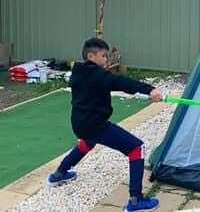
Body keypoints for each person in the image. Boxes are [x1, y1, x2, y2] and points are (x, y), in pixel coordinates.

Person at [47, 37, 163, 211]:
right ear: (91, 56)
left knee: (88, 141)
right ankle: (136, 200)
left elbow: (111, 83)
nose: (106, 60)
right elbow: (122, 82)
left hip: (79, 124)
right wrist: (150, 90)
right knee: (137, 148)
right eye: (104, 56)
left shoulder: (78, 72)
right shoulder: (98, 75)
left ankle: (59, 174)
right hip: (95, 125)